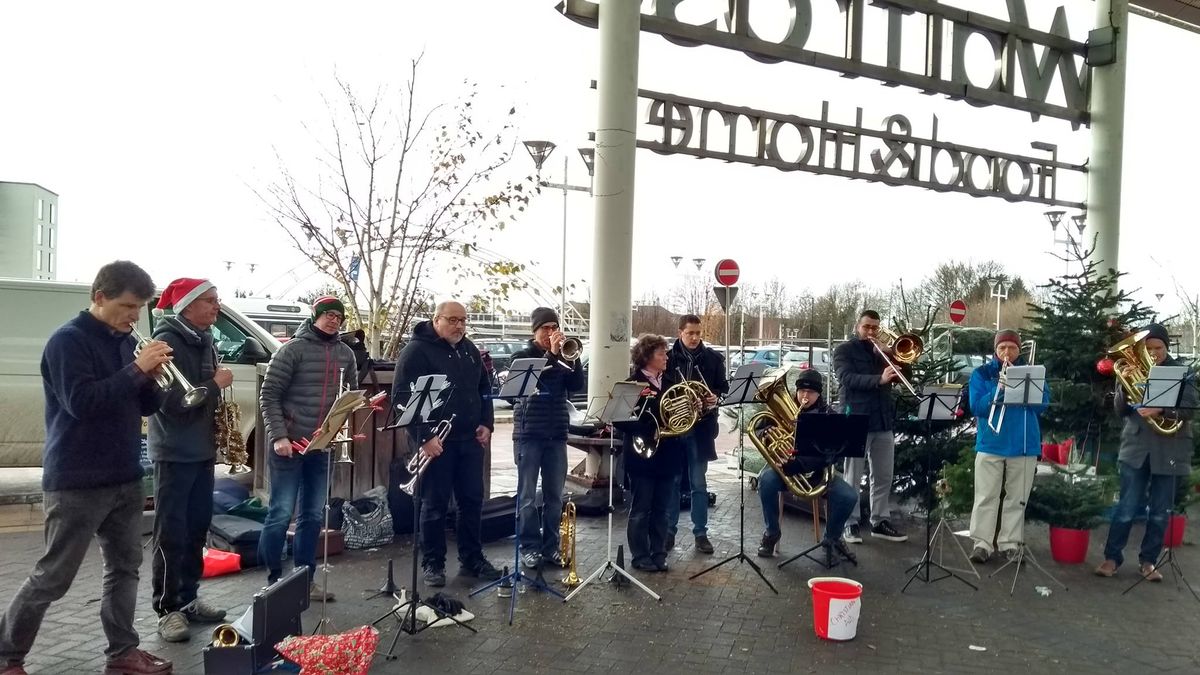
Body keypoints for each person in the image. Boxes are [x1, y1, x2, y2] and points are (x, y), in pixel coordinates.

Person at [0, 261, 173, 675]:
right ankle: (7, 655)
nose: (135, 316)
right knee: (53, 576)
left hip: (125, 475)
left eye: (140, 308)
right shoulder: (68, 342)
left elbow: (142, 405)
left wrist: (156, 380)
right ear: (100, 298)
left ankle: (122, 653)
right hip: (76, 479)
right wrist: (137, 370)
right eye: (128, 306)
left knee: (124, 569)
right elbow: (82, 403)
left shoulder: (124, 341)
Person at [146, 278, 233, 642]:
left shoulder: (206, 339)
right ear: (188, 305)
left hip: (201, 450)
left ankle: (188, 597)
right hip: (174, 451)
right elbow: (170, 405)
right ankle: (167, 610)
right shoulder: (166, 343)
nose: (217, 306)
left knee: (198, 526)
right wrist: (215, 384)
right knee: (171, 533)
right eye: (210, 300)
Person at [394, 301, 502, 588]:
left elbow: (484, 388)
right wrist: (425, 437)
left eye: (463, 321)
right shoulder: (416, 351)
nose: (459, 326)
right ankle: (433, 562)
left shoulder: (469, 350)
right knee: (434, 504)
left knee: (472, 501)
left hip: (468, 440)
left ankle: (472, 558)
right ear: (436, 319)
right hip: (435, 443)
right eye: (453, 320)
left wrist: (486, 422)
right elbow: (402, 399)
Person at [259, 296, 357, 601]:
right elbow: (269, 395)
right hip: (289, 443)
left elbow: (348, 397)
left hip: (321, 445)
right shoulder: (291, 350)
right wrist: (279, 436)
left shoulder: (346, 354)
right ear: (314, 317)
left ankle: (305, 578)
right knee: (280, 512)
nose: (333, 321)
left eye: (338, 318)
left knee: (313, 515)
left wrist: (338, 426)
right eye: (328, 315)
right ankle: (273, 578)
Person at [1096, 323, 1195, 581]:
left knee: (1161, 510)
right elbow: (1121, 411)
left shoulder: (1181, 373)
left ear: (1166, 347)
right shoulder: (1133, 369)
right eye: (1148, 348)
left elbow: (1189, 409)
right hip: (1136, 447)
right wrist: (1122, 387)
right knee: (1126, 507)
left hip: (1170, 447)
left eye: (1158, 348)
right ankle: (1111, 558)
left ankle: (1149, 561)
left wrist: (1161, 410)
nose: (1153, 353)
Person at [755, 369, 859, 567]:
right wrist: (765, 433)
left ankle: (831, 539)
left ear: (819, 394)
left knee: (849, 497)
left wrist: (801, 464)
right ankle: (771, 532)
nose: (805, 396)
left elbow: (834, 453)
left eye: (810, 393)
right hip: (785, 471)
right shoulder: (782, 409)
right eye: (801, 391)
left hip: (817, 474)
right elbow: (759, 428)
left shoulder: (828, 415)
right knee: (766, 481)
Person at [509, 307, 585, 569]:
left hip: (556, 433)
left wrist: (571, 361)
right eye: (545, 328)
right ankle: (529, 547)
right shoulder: (522, 356)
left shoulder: (565, 354)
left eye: (554, 327)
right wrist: (551, 355)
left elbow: (577, 387)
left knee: (555, 496)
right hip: (529, 434)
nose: (551, 333)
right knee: (528, 496)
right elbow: (519, 391)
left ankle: (551, 547)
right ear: (535, 331)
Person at [966, 330, 1050, 563]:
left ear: (1019, 350)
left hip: (1023, 443)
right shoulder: (981, 373)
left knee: (1017, 498)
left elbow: (1042, 405)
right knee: (985, 496)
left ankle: (1010, 543)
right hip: (990, 442)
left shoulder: (1033, 373)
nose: (1006, 352)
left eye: (1011, 348)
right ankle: (982, 543)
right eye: (1002, 347)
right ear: (995, 350)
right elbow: (978, 407)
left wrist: (1024, 386)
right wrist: (999, 388)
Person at [832, 310, 907, 543]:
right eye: (867, 327)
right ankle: (849, 522)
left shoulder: (883, 352)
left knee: (883, 475)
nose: (872, 332)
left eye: (875, 327)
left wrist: (893, 355)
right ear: (858, 327)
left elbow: (907, 376)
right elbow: (847, 378)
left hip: (883, 419)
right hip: (856, 417)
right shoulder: (844, 351)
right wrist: (879, 380)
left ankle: (879, 521)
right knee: (853, 476)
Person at [622, 334, 685, 573]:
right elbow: (621, 421)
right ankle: (640, 555)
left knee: (662, 508)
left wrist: (696, 407)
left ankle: (659, 553)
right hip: (643, 455)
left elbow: (683, 416)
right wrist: (650, 428)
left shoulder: (671, 382)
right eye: (661, 354)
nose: (666, 357)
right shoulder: (632, 384)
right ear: (648, 357)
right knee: (641, 508)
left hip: (668, 455)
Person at [665, 314, 728, 554]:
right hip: (674, 428)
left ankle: (700, 533)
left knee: (699, 483)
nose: (694, 338)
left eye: (698, 333)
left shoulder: (713, 359)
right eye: (690, 333)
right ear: (680, 332)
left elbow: (723, 387)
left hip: (700, 429)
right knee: (672, 482)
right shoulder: (668, 359)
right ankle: (669, 532)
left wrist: (714, 398)